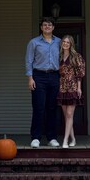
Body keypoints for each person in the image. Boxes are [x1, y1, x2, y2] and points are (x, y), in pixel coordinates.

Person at [25, 17, 61, 148]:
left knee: (52, 108)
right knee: (38, 107)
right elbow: (29, 60)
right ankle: (36, 137)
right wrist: (30, 78)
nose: (47, 27)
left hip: (54, 76)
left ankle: (52, 138)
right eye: (45, 25)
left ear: (53, 27)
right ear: (41, 27)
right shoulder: (34, 42)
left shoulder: (59, 42)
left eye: (49, 25)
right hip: (38, 76)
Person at [57, 35, 85, 149]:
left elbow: (80, 73)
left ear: (71, 44)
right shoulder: (59, 56)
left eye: (68, 42)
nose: (65, 44)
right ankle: (73, 138)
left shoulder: (76, 56)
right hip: (62, 87)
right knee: (67, 116)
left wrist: (79, 88)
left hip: (72, 87)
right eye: (64, 42)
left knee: (69, 114)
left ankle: (65, 140)